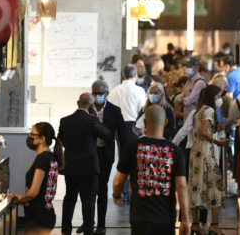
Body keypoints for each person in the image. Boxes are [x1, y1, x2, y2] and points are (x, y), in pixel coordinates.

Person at [113, 105, 191, 235]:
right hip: (166, 217)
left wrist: (117, 195)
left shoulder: (132, 147)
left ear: (144, 122)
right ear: (165, 122)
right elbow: (182, 186)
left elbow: (118, 182)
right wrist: (185, 220)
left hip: (140, 217)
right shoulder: (174, 150)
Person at [77, 80, 128, 235]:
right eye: (95, 93)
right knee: (87, 189)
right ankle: (88, 223)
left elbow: (123, 135)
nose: (98, 96)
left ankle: (101, 225)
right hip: (89, 153)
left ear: (106, 93)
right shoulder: (87, 109)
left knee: (102, 188)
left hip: (105, 153)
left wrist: (123, 158)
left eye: (100, 93)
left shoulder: (114, 110)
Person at [58, 93, 110, 235]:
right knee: (89, 200)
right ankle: (88, 231)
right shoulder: (92, 121)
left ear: (77, 102)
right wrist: (96, 117)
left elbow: (60, 140)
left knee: (69, 199)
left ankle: (65, 231)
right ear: (91, 105)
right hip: (89, 167)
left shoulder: (65, 121)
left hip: (71, 166)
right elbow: (106, 134)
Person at [10, 122, 63, 235]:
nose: (30, 137)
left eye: (33, 135)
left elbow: (33, 193)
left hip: (38, 217)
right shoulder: (51, 156)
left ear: (42, 139)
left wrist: (20, 198)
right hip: (45, 214)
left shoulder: (42, 158)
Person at [188, 85, 226, 235]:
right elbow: (204, 132)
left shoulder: (198, 110)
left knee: (196, 185)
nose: (219, 99)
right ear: (212, 96)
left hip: (195, 150)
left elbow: (200, 130)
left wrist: (214, 130)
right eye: (217, 96)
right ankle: (214, 225)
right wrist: (217, 142)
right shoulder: (209, 110)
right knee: (215, 184)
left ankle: (196, 224)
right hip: (205, 151)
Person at [108, 65, 147, 204]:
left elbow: (110, 111)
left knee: (122, 160)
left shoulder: (114, 91)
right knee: (137, 160)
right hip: (133, 126)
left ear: (123, 75)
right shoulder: (139, 90)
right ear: (135, 75)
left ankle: (123, 193)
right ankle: (135, 192)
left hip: (119, 127)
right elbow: (142, 111)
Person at [177, 57, 207, 122]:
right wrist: (182, 100)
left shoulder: (200, 82)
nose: (187, 68)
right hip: (186, 115)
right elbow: (181, 96)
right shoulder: (189, 81)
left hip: (194, 115)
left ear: (197, 67)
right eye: (186, 66)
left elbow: (188, 100)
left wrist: (183, 101)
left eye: (190, 66)